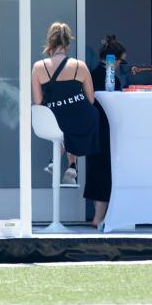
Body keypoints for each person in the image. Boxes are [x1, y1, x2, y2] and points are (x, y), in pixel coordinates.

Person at [31, 21, 99, 188]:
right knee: (74, 119)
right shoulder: (80, 66)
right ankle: (72, 166)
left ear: (49, 42)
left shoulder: (39, 67)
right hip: (81, 119)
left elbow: (38, 101)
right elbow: (90, 99)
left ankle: (56, 160)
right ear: (68, 43)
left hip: (54, 120)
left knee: (63, 121)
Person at [85, 34, 128, 227]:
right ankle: (100, 218)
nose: (121, 65)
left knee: (96, 170)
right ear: (115, 59)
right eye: (121, 61)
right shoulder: (110, 78)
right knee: (106, 172)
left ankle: (98, 216)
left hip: (93, 128)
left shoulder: (91, 74)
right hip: (107, 129)